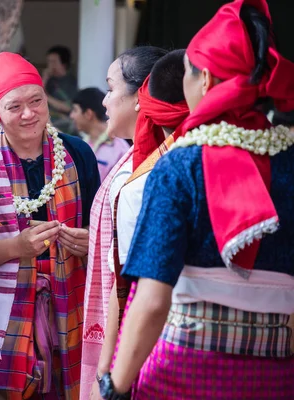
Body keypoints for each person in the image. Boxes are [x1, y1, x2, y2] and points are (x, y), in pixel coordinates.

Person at [102, 1, 294, 398]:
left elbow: (152, 301)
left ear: (204, 80)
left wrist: (115, 387)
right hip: (277, 378)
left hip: (185, 375)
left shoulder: (181, 166)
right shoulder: (289, 161)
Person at [0, 52, 100, 399]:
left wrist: (91, 242)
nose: (29, 114)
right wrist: (16, 248)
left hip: (69, 307)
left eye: (36, 101)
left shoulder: (77, 154)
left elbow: (102, 232)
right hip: (3, 319)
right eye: (15, 106)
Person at [87, 49, 190, 400]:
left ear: (140, 97)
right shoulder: (141, 158)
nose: (103, 100)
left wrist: (108, 372)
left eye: (110, 88)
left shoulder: (151, 173)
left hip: (147, 340)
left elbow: (131, 284)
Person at [70, 88, 131, 181]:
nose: (72, 116)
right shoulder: (81, 144)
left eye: (75, 110)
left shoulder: (120, 149)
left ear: (88, 114)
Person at [43, 46, 78, 134]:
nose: (50, 65)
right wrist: (44, 79)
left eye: (54, 62)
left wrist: (46, 97)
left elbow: (68, 107)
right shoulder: (49, 80)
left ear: (64, 64)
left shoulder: (70, 82)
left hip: (64, 126)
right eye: (49, 62)